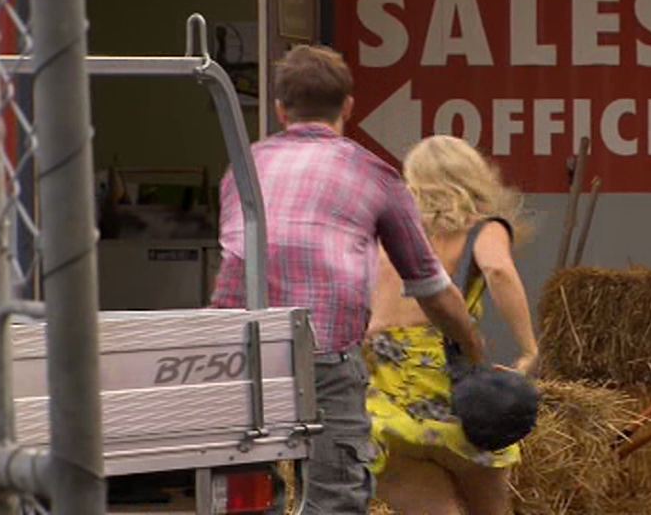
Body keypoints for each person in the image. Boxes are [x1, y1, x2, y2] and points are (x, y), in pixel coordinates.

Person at [210, 45, 485, 515]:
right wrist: (473, 349)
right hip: (322, 355)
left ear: (280, 109)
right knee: (334, 495)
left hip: (238, 352)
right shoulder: (375, 175)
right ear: (349, 106)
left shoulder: (241, 169)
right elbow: (431, 288)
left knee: (247, 496)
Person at [363, 135, 540, 515]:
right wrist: (528, 349)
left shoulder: (384, 232)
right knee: (490, 504)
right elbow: (498, 270)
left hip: (385, 388)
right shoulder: (483, 228)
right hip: (448, 385)